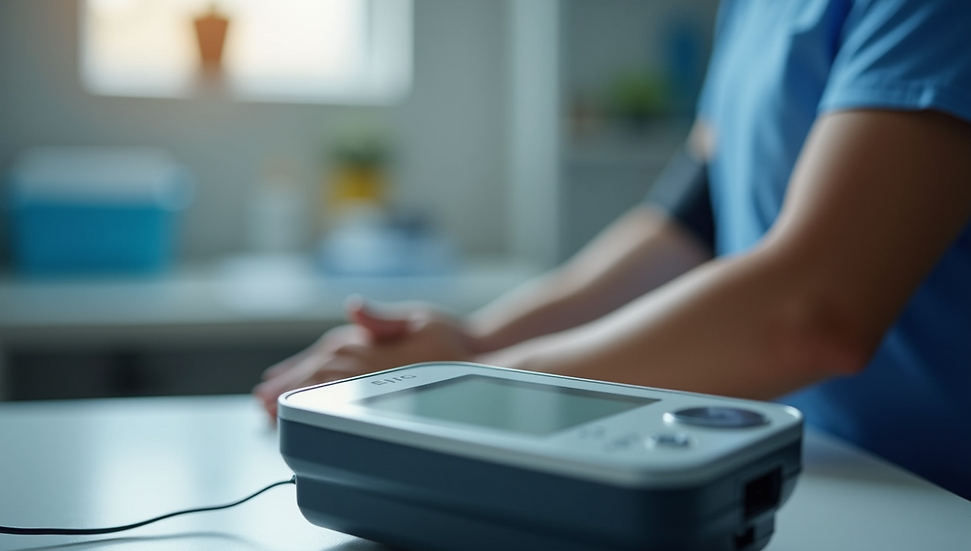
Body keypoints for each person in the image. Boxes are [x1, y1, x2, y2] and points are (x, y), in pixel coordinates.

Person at [255, 0, 971, 499]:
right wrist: (475, 342)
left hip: (940, 494)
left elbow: (814, 310)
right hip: (823, 468)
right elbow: (691, 222)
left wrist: (468, 385)